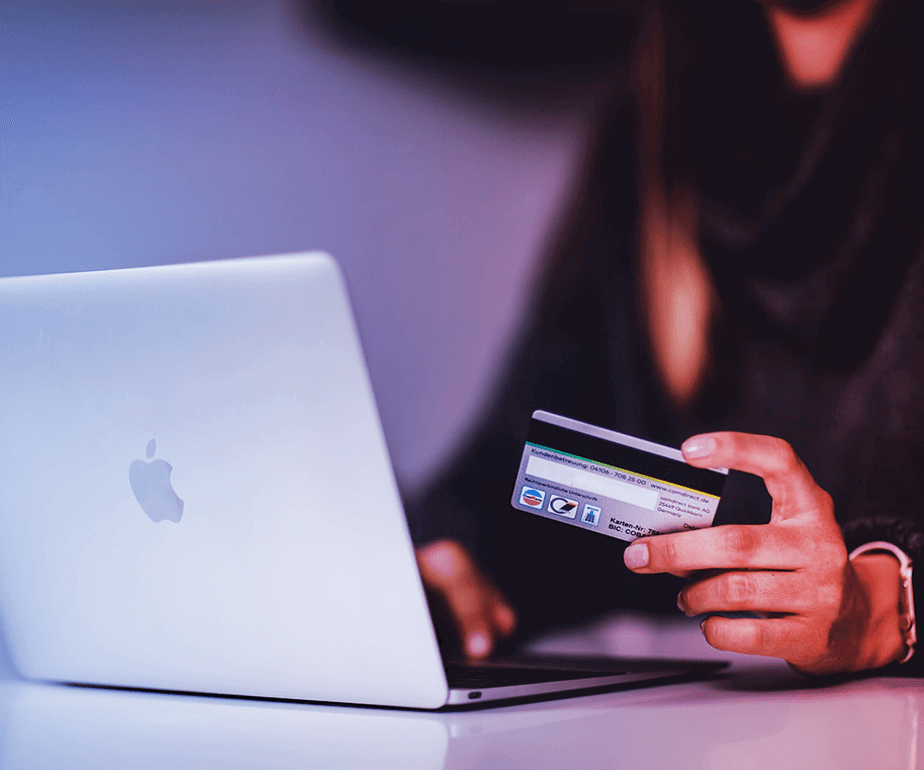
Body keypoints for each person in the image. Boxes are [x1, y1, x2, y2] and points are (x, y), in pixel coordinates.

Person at [326, 0, 924, 675]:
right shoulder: (651, 125)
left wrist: (885, 603)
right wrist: (449, 559)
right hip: (689, 719)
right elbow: (524, 456)